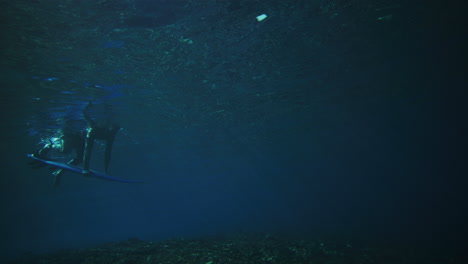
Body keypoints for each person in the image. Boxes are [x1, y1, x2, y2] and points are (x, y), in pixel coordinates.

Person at [82, 102, 121, 175]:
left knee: (107, 151)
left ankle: (106, 170)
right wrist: (88, 106)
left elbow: (85, 114)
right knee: (88, 150)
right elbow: (85, 115)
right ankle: (85, 168)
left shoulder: (111, 126)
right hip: (95, 132)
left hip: (105, 133)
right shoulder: (94, 126)